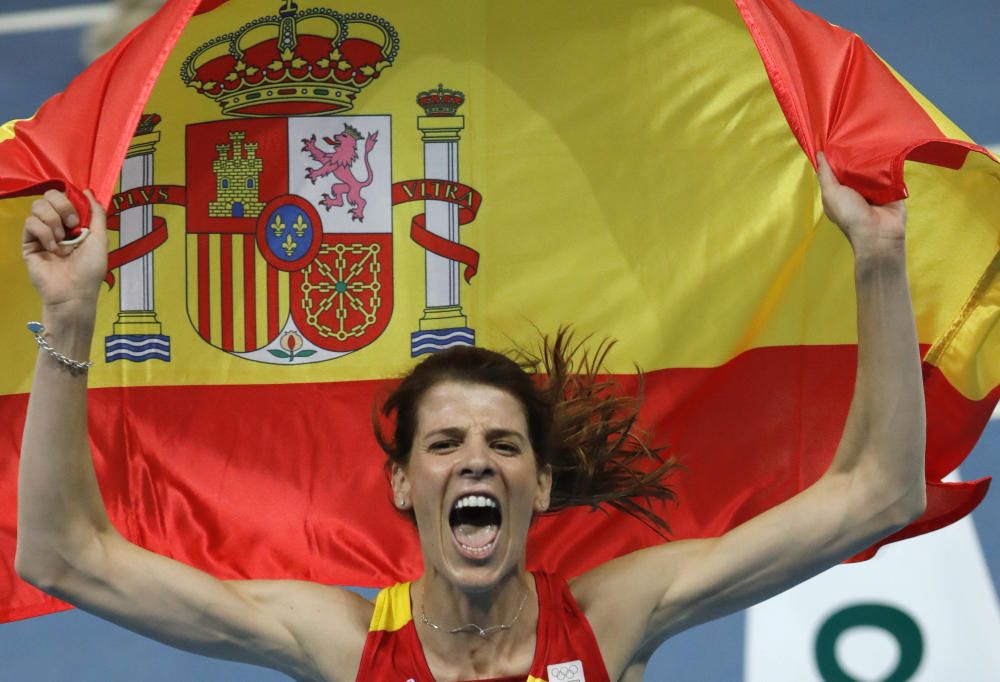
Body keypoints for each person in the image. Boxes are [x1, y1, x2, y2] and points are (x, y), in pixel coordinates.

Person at [16, 153, 924, 681]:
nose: (477, 461)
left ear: (542, 482)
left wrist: (879, 259)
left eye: (504, 444)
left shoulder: (609, 620)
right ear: (403, 483)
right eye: (445, 443)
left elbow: (878, 492)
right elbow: (62, 555)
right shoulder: (347, 645)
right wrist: (69, 319)